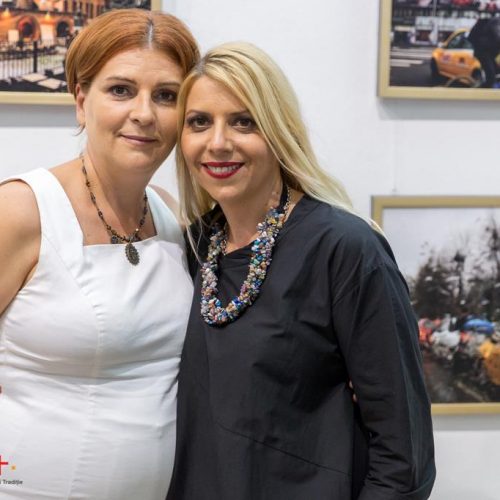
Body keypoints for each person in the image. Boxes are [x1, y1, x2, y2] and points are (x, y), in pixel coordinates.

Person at [168, 42, 436, 500]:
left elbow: (403, 460)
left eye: (244, 121)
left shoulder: (346, 249)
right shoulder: (192, 248)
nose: (218, 142)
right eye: (199, 122)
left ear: (279, 130)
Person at [0, 9, 199, 500]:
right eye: (121, 90)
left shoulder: (169, 215)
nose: (145, 113)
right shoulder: (21, 209)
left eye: (166, 96)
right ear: (81, 100)